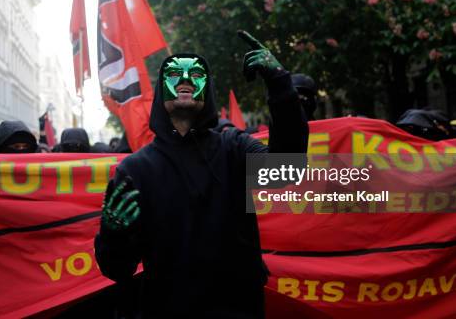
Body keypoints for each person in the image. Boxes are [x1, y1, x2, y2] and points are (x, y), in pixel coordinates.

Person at [95, 31, 308, 318]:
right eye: (174, 73)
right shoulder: (135, 170)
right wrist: (114, 235)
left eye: (196, 73)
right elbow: (118, 270)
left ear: (206, 90)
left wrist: (280, 84)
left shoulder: (234, 148)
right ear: (161, 91)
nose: (185, 78)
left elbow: (288, 168)